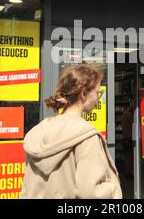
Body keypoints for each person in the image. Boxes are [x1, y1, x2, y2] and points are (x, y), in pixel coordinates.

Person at [20, 64, 122, 199]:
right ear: (84, 94)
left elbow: (27, 188)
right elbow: (92, 194)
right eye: (97, 92)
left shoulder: (40, 132)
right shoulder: (87, 136)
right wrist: (114, 186)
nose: (98, 98)